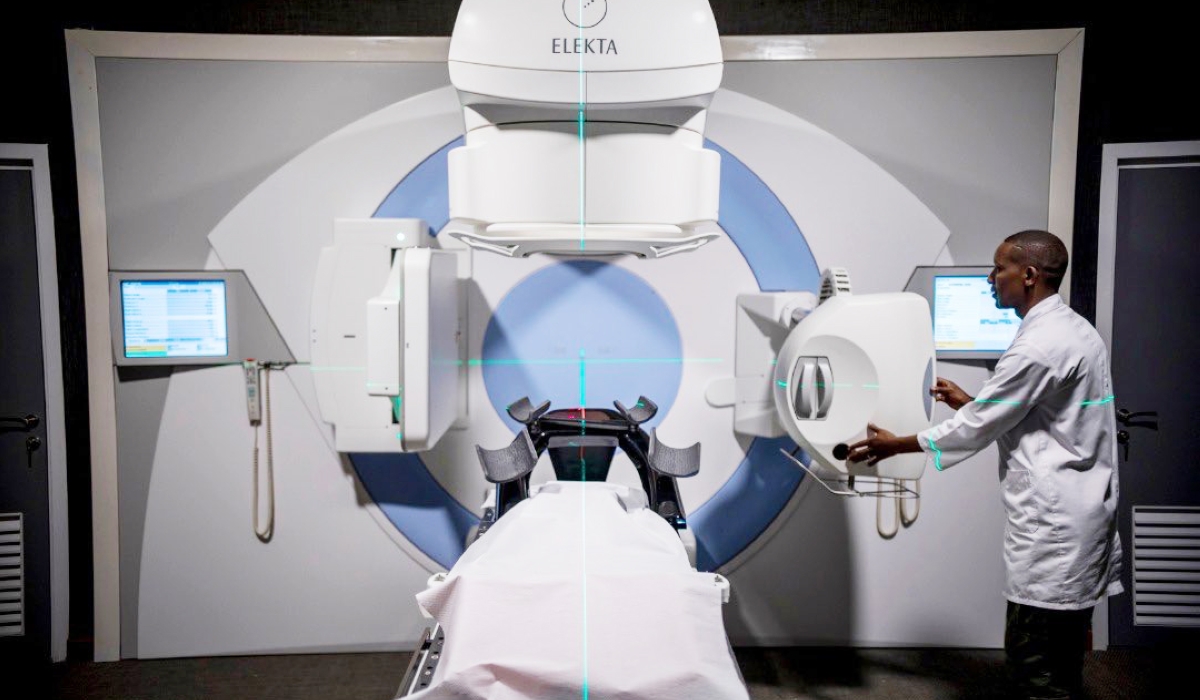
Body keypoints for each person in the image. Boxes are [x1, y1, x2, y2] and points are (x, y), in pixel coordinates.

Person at [846, 230, 1123, 700]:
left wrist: (895, 446)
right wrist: (973, 402)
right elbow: (1036, 418)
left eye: (999, 269)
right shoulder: (1072, 329)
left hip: (1055, 528)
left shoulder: (1040, 344)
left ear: (1029, 275)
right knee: (1063, 658)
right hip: (1080, 512)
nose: (990, 279)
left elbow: (976, 427)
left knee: (1037, 670)